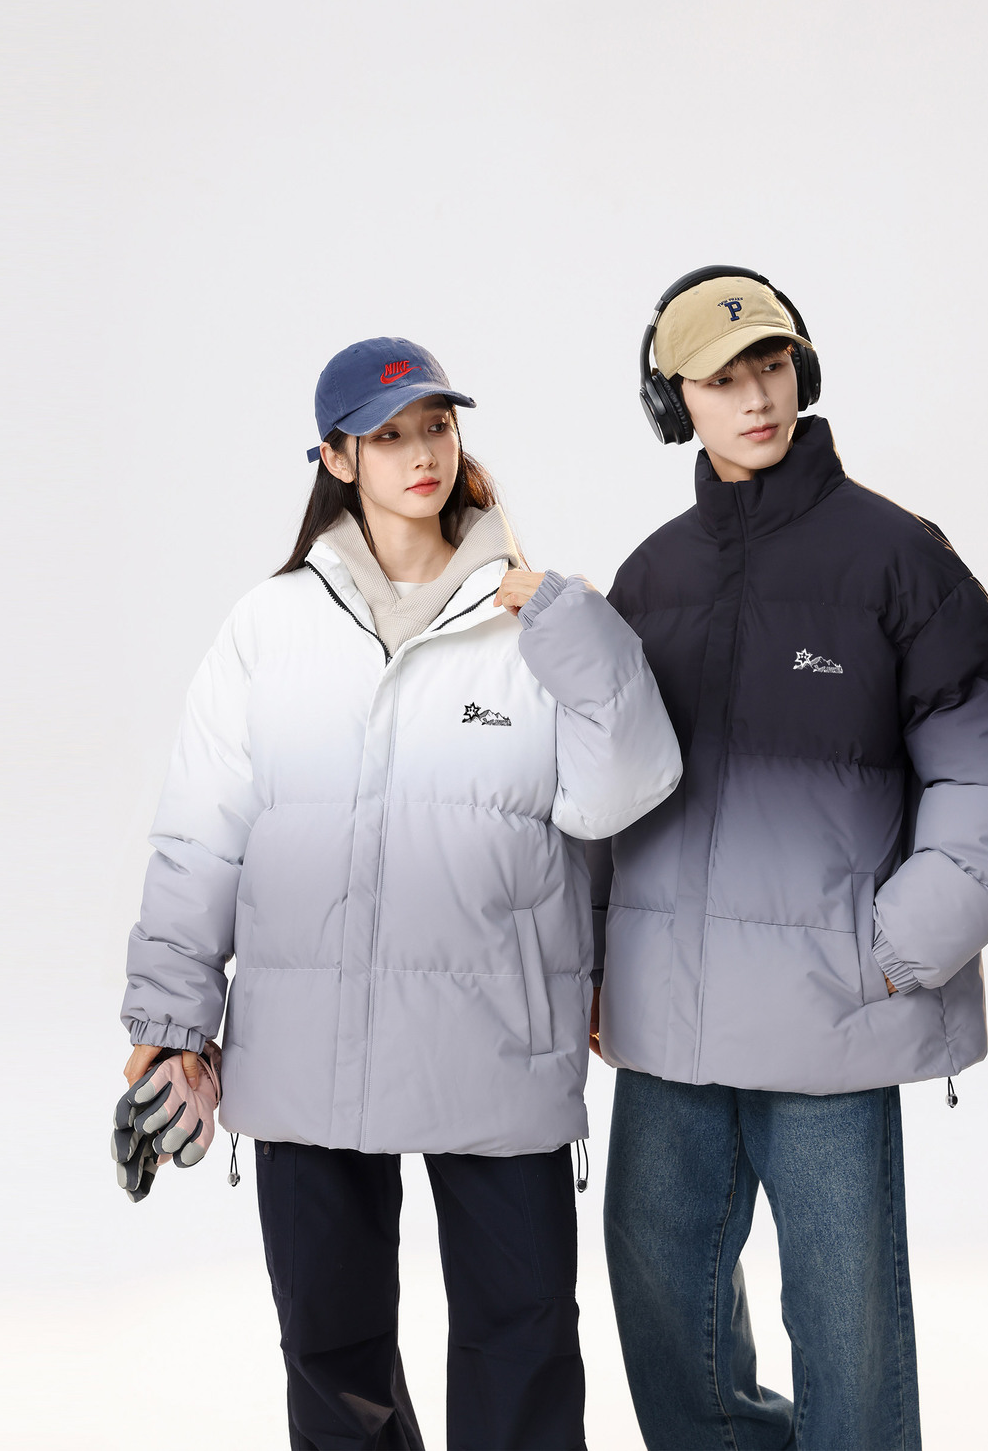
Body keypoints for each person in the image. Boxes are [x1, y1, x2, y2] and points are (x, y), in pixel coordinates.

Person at [119, 336, 682, 1451]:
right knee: (332, 1360)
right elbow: (199, 835)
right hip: (306, 1049)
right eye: (388, 436)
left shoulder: (541, 621)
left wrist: (584, 638)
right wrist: (170, 1024)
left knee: (522, 1345)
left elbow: (625, 788)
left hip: (497, 1042)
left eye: (436, 426)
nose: (422, 453)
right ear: (336, 459)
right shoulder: (268, 627)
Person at [590, 268, 988, 1450]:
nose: (757, 398)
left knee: (849, 1345)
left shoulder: (899, 559)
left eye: (773, 365)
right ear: (673, 402)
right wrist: (592, 967)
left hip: (832, 1022)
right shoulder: (649, 578)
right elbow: (599, 791)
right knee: (663, 1318)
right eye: (722, 379)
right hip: (666, 1029)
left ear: (805, 369)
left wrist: (894, 951)